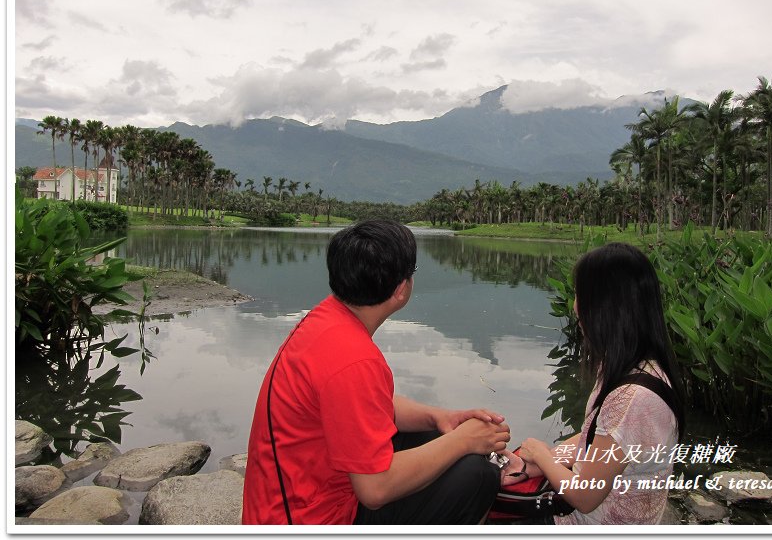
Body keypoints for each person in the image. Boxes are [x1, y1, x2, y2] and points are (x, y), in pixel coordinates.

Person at [243, 219, 511, 525]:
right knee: (476, 475)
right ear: (401, 289)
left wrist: (440, 417)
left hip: (284, 502)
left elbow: (365, 407)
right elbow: (374, 489)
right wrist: (464, 441)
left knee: (435, 434)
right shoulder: (354, 360)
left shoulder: (324, 321)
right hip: (312, 519)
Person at [500, 242, 685, 524]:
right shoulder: (637, 366)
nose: (575, 307)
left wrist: (541, 454)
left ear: (604, 307)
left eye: (579, 294)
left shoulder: (634, 399)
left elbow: (585, 497)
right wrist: (533, 465)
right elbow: (595, 439)